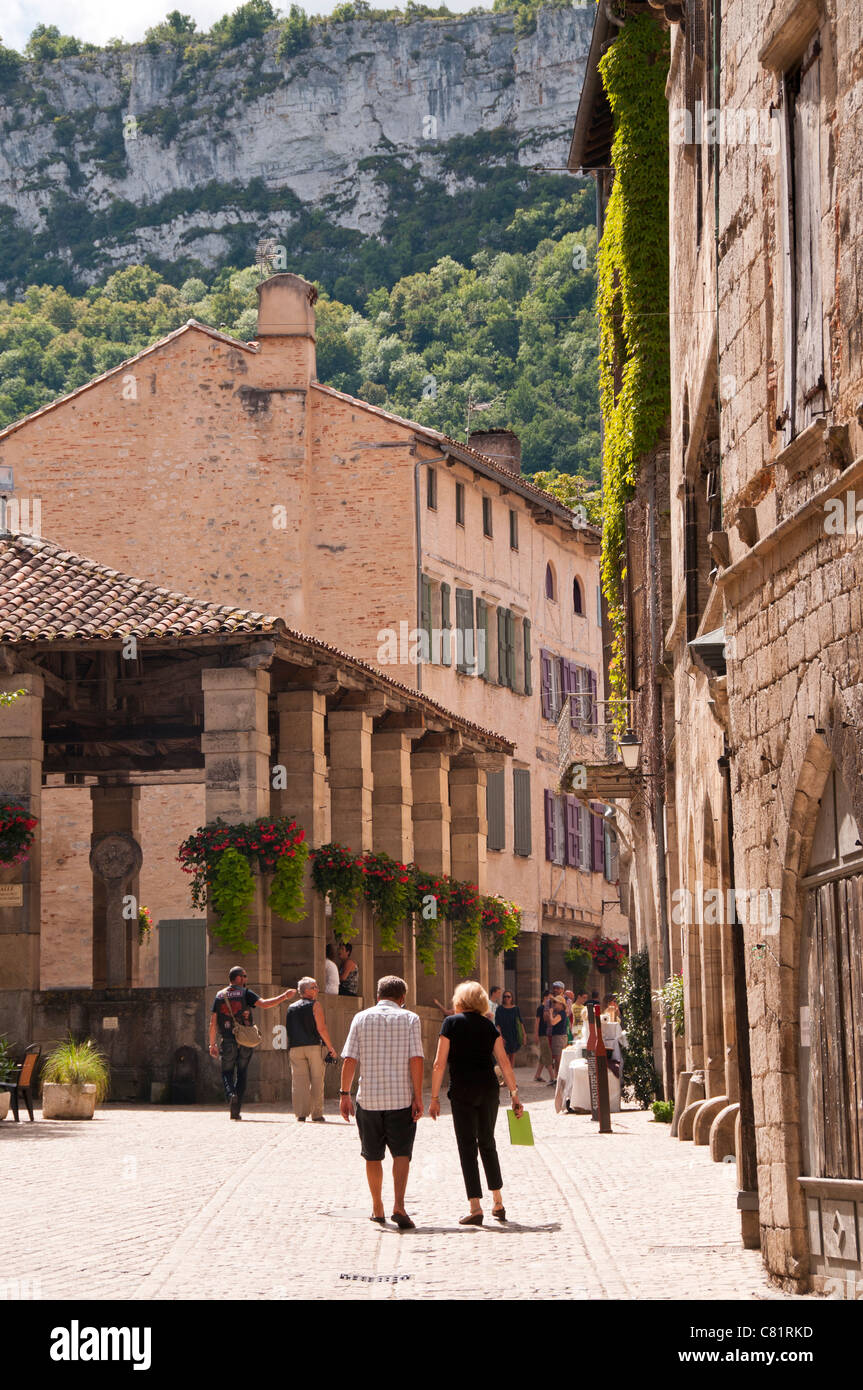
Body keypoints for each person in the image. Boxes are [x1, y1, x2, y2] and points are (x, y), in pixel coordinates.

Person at [429, 981, 524, 1225]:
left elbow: (439, 1063)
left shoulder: (451, 1023)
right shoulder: (488, 1026)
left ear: (460, 1000)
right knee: (487, 1142)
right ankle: (498, 1200)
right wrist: (514, 1095)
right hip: (488, 1089)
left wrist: (434, 1097)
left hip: (462, 1090)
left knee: (467, 1146)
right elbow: (504, 1063)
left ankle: (475, 1206)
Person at [339, 975, 424, 1229]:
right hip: (401, 1099)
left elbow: (350, 1060)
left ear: (378, 995)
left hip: (369, 1100)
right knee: (401, 1154)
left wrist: (345, 1094)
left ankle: (378, 1207)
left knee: (372, 1156)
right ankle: (399, 1204)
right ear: (402, 998)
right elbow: (416, 1058)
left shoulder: (361, 1018)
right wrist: (418, 1096)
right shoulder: (410, 1019)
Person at [209, 966, 296, 1120]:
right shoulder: (245, 993)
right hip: (245, 1040)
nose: (246, 979)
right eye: (244, 976)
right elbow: (265, 1004)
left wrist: (212, 1044)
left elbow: (213, 1022)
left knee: (227, 1072)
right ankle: (236, 1110)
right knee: (242, 1074)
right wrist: (284, 996)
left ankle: (231, 1094)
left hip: (228, 1040)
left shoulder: (219, 995)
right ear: (238, 978)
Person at [287, 977, 338, 1122]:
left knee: (299, 1081)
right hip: (314, 1047)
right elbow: (321, 1028)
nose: (317, 989)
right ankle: (317, 1114)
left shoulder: (291, 1007)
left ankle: (301, 1113)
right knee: (317, 1079)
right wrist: (330, 1048)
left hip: (295, 1048)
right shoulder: (315, 1005)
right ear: (306, 990)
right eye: (314, 987)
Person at [494, 991, 524, 1062]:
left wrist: (524, 1034)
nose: (506, 998)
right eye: (505, 996)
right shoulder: (499, 1009)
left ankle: (511, 1072)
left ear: (511, 998)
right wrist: (500, 1036)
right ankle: (507, 1072)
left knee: (512, 1055)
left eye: (508, 996)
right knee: (505, 1055)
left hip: (514, 1034)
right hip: (504, 1034)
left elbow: (520, 1022)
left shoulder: (516, 1009)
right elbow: (497, 1024)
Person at [533, 990, 554, 1083]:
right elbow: (537, 1022)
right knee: (547, 1055)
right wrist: (536, 1034)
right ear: (545, 997)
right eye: (550, 997)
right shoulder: (540, 1008)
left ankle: (537, 1075)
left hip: (547, 1034)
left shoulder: (550, 1008)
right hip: (542, 1034)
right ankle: (553, 1077)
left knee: (543, 1055)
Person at [547, 990, 569, 1079]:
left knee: (558, 1059)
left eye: (555, 1002)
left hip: (559, 1037)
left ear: (561, 1004)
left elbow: (553, 1022)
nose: (554, 1004)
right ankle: (557, 1077)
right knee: (557, 1058)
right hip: (559, 1037)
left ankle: (558, 1077)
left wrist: (551, 1014)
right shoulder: (561, 1013)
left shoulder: (561, 1013)